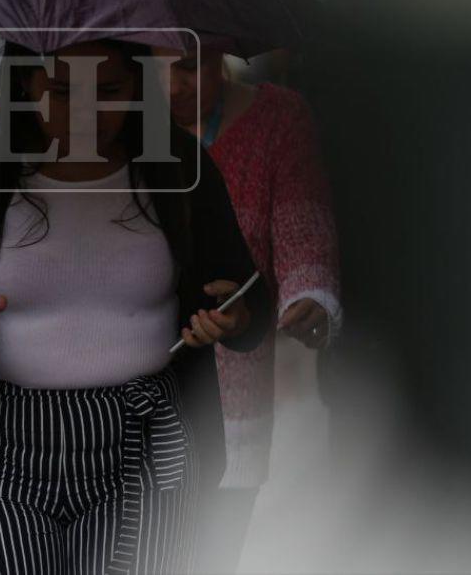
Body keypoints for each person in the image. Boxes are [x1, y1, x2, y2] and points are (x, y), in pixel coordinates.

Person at [0, 39, 271, 574]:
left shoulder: (177, 169)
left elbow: (249, 299)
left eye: (109, 91)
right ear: (22, 83)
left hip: (146, 451)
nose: (87, 112)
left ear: (138, 85)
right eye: (61, 92)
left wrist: (235, 316)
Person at [156, 46, 341, 573]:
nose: (174, 86)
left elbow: (303, 220)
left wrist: (312, 295)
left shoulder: (278, 118)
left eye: (191, 66)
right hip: (126, 410)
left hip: (230, 409)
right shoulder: (109, 125)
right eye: (156, 67)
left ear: (220, 55)